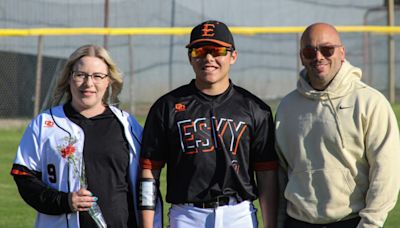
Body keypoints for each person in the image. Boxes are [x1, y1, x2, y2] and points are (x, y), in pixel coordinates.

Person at [138, 20, 279, 228]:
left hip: (238, 214)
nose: (209, 58)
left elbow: (266, 174)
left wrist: (271, 225)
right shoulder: (167, 107)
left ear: (233, 56)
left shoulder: (255, 108)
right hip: (186, 215)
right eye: (200, 51)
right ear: (190, 57)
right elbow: (150, 172)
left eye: (217, 50)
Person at [10, 44, 161, 228]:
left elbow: (147, 180)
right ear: (69, 79)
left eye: (98, 76)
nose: (88, 83)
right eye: (80, 75)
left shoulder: (128, 125)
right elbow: (23, 176)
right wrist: (64, 201)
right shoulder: (45, 123)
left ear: (109, 81)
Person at [275, 22, 400, 228]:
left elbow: (386, 173)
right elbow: (280, 175)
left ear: (342, 53)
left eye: (327, 49)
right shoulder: (287, 107)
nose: (318, 57)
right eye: (309, 51)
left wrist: (370, 224)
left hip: (351, 221)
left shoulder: (370, 102)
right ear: (301, 57)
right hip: (297, 222)